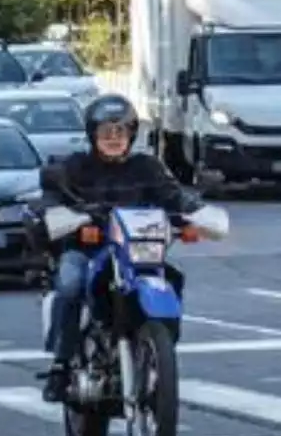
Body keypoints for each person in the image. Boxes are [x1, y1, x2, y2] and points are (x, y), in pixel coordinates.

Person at [39, 94, 197, 402]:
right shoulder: (75, 168)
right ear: (92, 134)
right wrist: (60, 215)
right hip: (88, 249)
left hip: (136, 251)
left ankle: (157, 350)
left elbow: (174, 196)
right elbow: (51, 199)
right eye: (106, 132)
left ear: (131, 134)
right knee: (71, 284)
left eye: (120, 132)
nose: (113, 139)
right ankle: (61, 365)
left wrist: (195, 213)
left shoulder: (147, 167)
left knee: (173, 277)